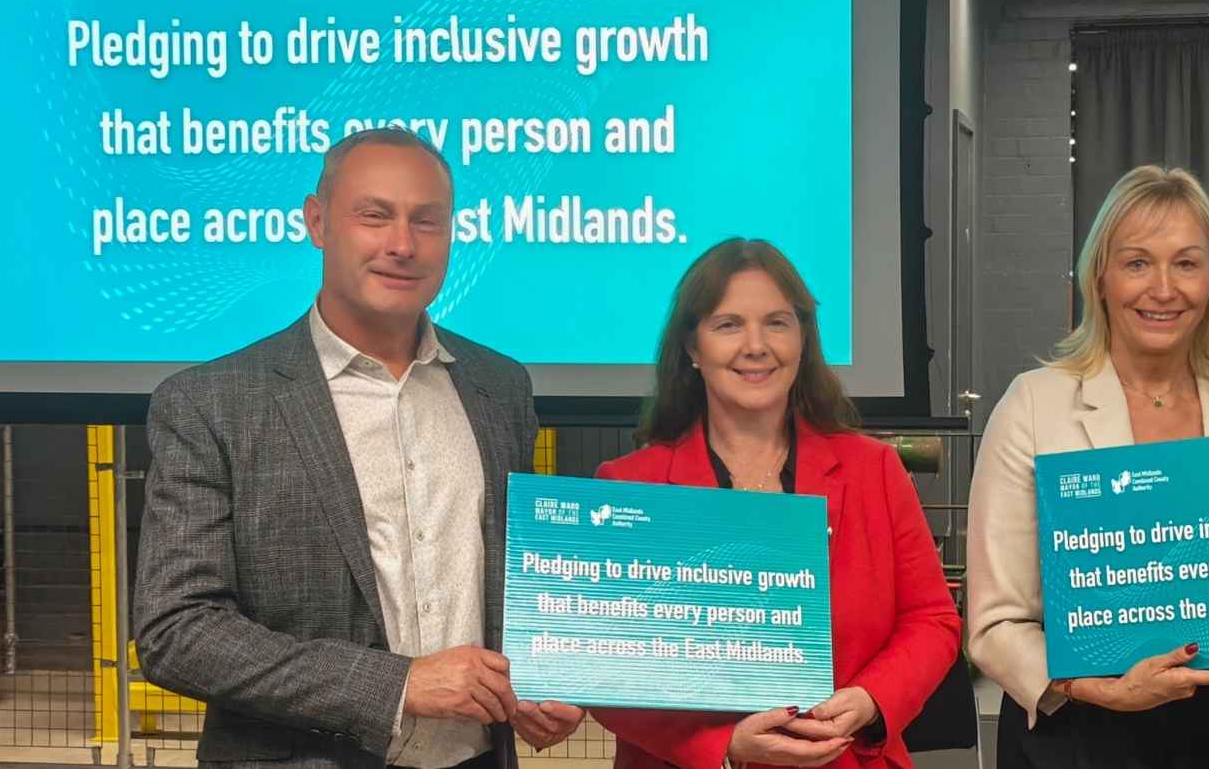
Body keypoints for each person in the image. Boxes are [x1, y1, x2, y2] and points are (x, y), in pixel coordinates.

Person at [135, 128, 583, 769]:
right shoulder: (212, 403)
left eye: (426, 221)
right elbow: (177, 632)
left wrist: (538, 680)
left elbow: (504, 585)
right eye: (374, 215)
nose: (402, 244)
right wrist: (399, 686)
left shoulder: (500, 388)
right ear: (317, 222)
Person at [589, 238, 961, 769]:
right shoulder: (629, 490)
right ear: (692, 348)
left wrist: (872, 699)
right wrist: (722, 745)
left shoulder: (874, 470)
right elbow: (603, 666)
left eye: (778, 323)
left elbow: (932, 619)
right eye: (728, 325)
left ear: (804, 340)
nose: (756, 345)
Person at [967, 165, 1209, 768]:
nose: (1162, 288)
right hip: (1075, 732)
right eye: (1137, 262)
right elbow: (993, 624)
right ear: (1101, 277)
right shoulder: (1033, 408)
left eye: (1186, 263)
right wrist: (1099, 689)